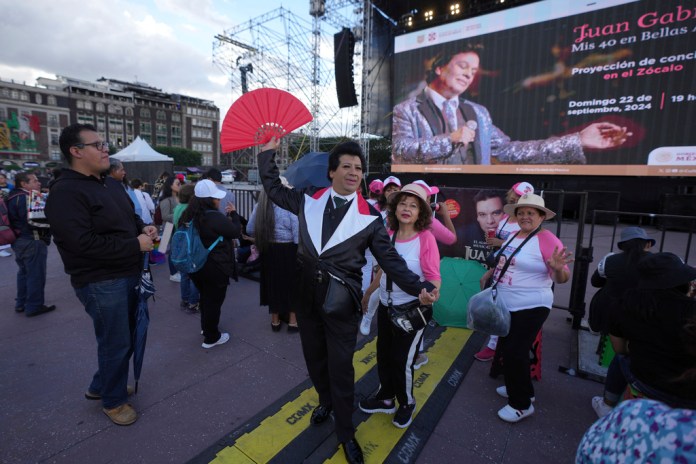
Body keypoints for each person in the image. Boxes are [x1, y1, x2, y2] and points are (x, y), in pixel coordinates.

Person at [258, 138, 439, 464]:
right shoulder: (307, 200)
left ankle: (346, 434)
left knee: (341, 369)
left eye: (359, 167)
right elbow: (272, 187)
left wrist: (419, 286)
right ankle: (324, 400)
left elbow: (392, 261)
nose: (354, 171)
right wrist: (266, 154)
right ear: (332, 172)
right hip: (306, 300)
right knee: (315, 360)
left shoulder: (370, 216)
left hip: (341, 304)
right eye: (347, 166)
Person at [46, 123, 158, 426]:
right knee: (116, 341)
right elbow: (81, 244)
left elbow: (128, 216)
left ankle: (103, 385)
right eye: (97, 144)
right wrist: (134, 243)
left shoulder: (108, 182)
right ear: (76, 151)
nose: (105, 148)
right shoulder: (65, 192)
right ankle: (113, 400)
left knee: (123, 338)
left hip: (126, 272)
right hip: (101, 281)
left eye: (104, 143)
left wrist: (141, 228)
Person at [392, 44, 631, 165]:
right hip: (424, 203)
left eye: (473, 71)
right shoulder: (407, 109)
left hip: (472, 202)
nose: (468, 75)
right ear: (440, 67)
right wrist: (450, 139)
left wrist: (578, 139)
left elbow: (510, 150)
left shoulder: (478, 112)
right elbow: (401, 149)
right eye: (463, 66)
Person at [479, 193, 573, 422]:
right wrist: (490, 272)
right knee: (510, 350)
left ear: (541, 217)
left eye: (531, 213)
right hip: (507, 304)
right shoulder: (514, 235)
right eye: (521, 213)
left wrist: (558, 269)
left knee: (515, 352)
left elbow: (562, 278)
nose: (525, 216)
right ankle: (520, 390)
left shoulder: (547, 239)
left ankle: (521, 405)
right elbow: (506, 259)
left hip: (531, 306)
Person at [359, 183, 441, 428]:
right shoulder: (388, 234)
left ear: (421, 213)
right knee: (383, 355)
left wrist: (430, 296)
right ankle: (386, 399)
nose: (407, 208)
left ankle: (406, 403)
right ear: (394, 208)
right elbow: (383, 269)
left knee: (401, 360)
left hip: (411, 311)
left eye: (413, 205)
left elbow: (434, 277)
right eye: (403, 203)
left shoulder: (426, 239)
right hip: (386, 307)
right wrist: (369, 294)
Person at [605, 252, 696, 408]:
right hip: (688, 396)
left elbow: (619, 348)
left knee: (621, 358)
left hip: (644, 383)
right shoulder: (690, 311)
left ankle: (608, 403)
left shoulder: (625, 304)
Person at [588, 227, 654, 418]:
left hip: (613, 316)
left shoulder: (611, 260)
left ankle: (608, 401)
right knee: (629, 355)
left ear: (623, 246)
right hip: (645, 318)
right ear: (647, 244)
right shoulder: (657, 263)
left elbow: (595, 282)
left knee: (622, 356)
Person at [178, 179, 241, 348]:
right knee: (214, 300)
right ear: (209, 199)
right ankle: (211, 337)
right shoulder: (213, 217)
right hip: (214, 266)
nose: (219, 200)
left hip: (195, 265)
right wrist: (234, 214)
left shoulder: (189, 214)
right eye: (216, 198)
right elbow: (235, 231)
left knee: (206, 297)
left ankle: (206, 328)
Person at [475, 181, 534, 362]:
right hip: (499, 266)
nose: (517, 199)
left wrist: (500, 243)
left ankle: (495, 347)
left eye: (522, 197)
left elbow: (525, 247)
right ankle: (497, 345)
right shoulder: (506, 217)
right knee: (496, 306)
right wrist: (492, 242)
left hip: (513, 271)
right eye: (516, 195)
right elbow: (499, 243)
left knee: (504, 309)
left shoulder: (527, 222)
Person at [246, 178, 299, 332]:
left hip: (269, 249)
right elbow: (297, 236)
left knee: (272, 284)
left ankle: (275, 321)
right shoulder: (289, 207)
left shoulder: (260, 206)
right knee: (292, 286)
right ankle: (293, 321)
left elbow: (250, 229)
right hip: (289, 250)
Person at [7, 172, 55, 316]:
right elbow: (37, 221)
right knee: (35, 274)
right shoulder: (29, 198)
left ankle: (21, 303)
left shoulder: (11, 196)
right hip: (33, 240)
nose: (39, 183)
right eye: (34, 181)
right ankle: (34, 306)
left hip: (17, 240)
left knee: (23, 273)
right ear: (23, 184)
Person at [172, 183, 200, 313]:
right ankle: (193, 302)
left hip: (180, 244)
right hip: (191, 245)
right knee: (194, 274)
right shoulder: (190, 210)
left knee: (184, 274)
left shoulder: (178, 208)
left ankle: (185, 299)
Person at [159, 176, 181, 282]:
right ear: (170, 186)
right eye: (178, 184)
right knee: (172, 251)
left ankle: (176, 271)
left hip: (176, 227)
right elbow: (164, 216)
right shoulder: (166, 200)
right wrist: (179, 214)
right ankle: (173, 273)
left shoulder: (179, 197)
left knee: (176, 250)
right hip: (169, 228)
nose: (180, 186)